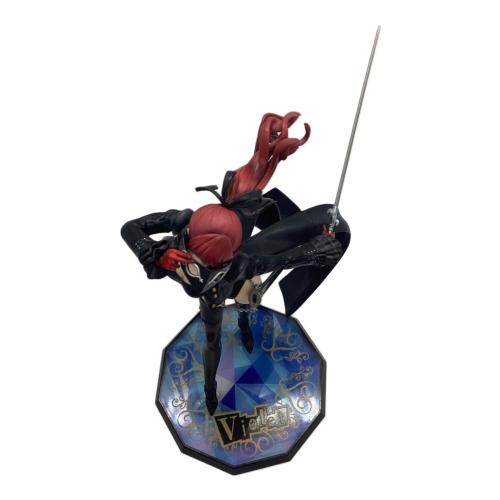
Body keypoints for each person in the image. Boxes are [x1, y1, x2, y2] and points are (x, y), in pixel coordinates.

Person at [121, 112, 350, 414]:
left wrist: (317, 248)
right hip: (213, 296)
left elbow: (281, 259)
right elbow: (130, 228)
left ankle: (244, 324)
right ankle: (209, 388)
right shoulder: (181, 226)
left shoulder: (241, 264)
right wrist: (152, 251)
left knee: (245, 304)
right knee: (212, 340)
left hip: (230, 283)